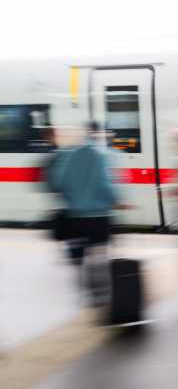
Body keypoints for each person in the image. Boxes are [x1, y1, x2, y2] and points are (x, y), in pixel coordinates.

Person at [49, 121, 123, 306]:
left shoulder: (69, 155)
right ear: (101, 134)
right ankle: (101, 295)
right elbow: (105, 184)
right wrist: (117, 201)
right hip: (98, 216)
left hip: (75, 215)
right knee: (99, 255)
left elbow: (58, 183)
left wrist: (72, 200)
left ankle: (86, 294)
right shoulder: (101, 156)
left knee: (81, 256)